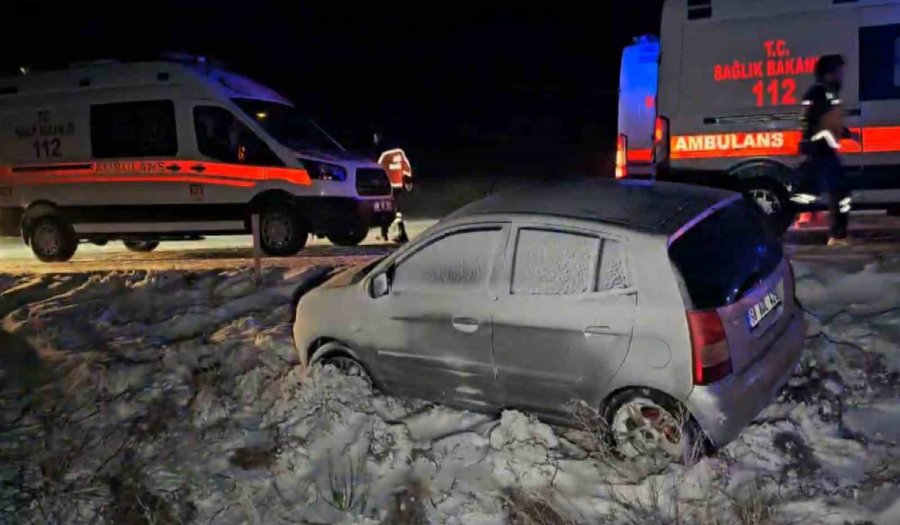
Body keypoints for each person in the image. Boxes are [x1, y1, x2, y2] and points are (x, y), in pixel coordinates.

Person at [799, 55, 853, 247]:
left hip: (823, 151)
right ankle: (837, 236)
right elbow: (814, 122)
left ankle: (836, 234)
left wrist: (847, 134)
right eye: (839, 71)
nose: (842, 75)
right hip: (822, 151)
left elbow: (829, 121)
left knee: (829, 191)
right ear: (829, 73)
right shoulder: (820, 93)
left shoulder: (827, 93)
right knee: (839, 191)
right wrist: (824, 138)